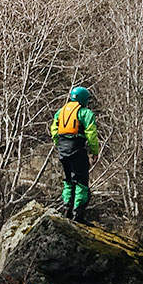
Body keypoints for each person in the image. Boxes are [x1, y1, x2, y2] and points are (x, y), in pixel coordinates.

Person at [50, 86, 100, 223]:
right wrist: (94, 152)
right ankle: (78, 216)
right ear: (84, 99)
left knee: (68, 180)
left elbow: (54, 131)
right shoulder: (85, 113)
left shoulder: (60, 112)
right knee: (81, 182)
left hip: (63, 150)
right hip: (77, 149)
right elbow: (91, 135)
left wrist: (59, 146)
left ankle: (67, 210)